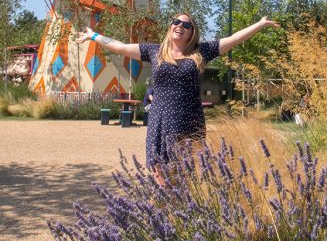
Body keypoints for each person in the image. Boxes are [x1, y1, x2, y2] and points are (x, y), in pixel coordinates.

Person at [76, 12, 280, 172]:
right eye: (177, 22)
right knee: (160, 173)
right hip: (160, 121)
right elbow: (120, 46)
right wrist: (93, 36)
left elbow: (233, 39)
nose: (180, 26)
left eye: (187, 25)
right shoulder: (154, 51)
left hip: (190, 120)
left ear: (192, 32)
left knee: (186, 175)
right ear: (170, 26)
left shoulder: (202, 52)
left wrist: (260, 25)